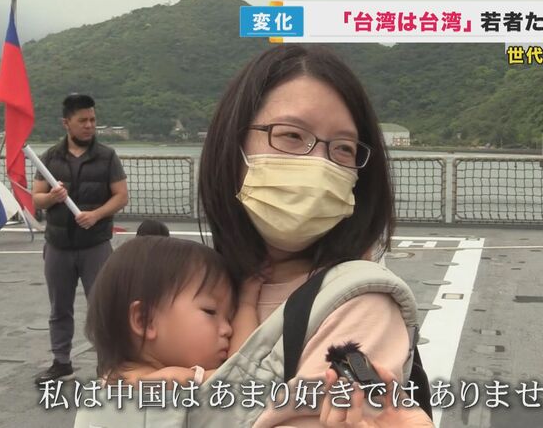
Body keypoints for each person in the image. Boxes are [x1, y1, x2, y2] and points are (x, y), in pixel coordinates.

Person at [198, 44, 428, 426]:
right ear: (232, 144)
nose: (318, 163)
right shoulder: (193, 280)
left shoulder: (361, 304)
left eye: (343, 148)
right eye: (291, 135)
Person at [73, 236, 261, 428]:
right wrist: (247, 304)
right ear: (145, 321)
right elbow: (241, 372)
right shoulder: (171, 381)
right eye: (210, 311)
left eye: (229, 318)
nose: (228, 329)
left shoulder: (105, 384)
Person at [32, 94, 129, 385]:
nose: (89, 126)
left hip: (95, 246)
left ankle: (107, 367)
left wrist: (96, 215)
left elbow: (121, 196)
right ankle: (61, 363)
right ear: (66, 123)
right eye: (82, 120)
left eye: (93, 120)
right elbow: (37, 199)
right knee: (59, 308)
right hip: (58, 246)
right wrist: (52, 197)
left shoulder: (107, 156)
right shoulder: (50, 158)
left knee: (101, 307)